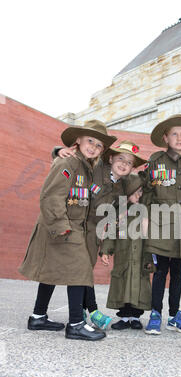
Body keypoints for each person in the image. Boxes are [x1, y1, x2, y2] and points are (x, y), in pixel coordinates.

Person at [19, 121, 116, 340]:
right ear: (78, 141)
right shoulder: (69, 163)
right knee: (80, 270)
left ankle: (37, 316)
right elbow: (51, 195)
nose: (93, 147)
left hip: (70, 226)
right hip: (60, 226)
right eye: (90, 140)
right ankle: (76, 324)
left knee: (51, 272)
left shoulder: (86, 168)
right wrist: (61, 226)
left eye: (99, 145)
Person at [51, 134, 145, 329]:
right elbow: (76, 159)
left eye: (129, 163)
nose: (123, 164)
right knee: (77, 272)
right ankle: (85, 314)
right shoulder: (96, 167)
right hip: (76, 225)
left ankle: (85, 313)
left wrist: (105, 246)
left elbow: (113, 215)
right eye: (120, 159)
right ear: (110, 158)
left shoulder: (122, 187)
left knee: (84, 272)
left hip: (93, 233)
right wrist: (57, 151)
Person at [141, 114, 181, 335]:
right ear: (166, 138)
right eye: (174, 134)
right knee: (160, 271)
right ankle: (155, 314)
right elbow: (147, 192)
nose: (179, 138)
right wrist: (145, 217)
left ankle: (174, 316)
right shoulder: (156, 161)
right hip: (160, 225)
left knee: (178, 273)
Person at [100, 173, 154, 330]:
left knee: (139, 285)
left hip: (141, 256)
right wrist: (105, 251)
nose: (139, 195)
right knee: (122, 284)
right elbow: (111, 233)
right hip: (123, 256)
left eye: (141, 192)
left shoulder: (145, 211)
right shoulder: (119, 212)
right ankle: (124, 317)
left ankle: (135, 317)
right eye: (135, 192)